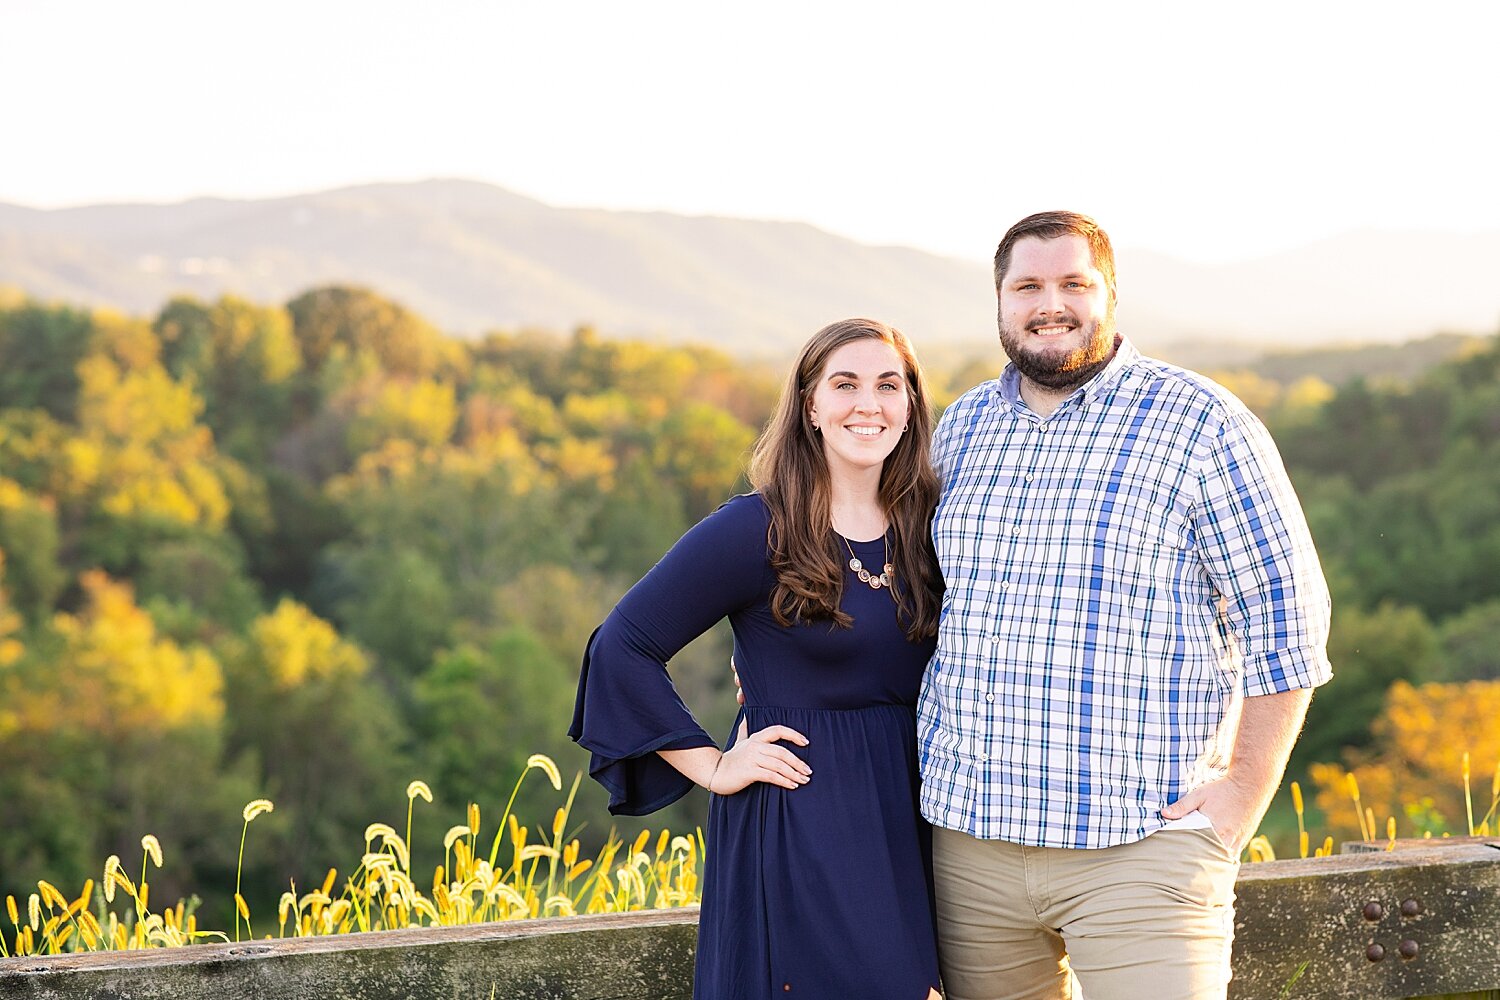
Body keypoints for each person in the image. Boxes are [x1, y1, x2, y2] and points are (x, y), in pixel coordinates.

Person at [921, 211, 1333, 1000]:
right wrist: (780, 651)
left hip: (1141, 847)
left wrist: (1241, 796)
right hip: (967, 849)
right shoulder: (960, 430)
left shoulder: (1201, 421)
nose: (1052, 303)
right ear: (1000, 301)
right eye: (1028, 285)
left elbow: (1288, 615)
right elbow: (906, 595)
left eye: (1074, 283)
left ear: (1109, 294)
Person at [569, 318, 947, 1000]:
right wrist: (712, 764)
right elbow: (621, 647)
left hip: (913, 813)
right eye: (845, 384)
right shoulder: (758, 527)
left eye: (890, 385)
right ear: (809, 405)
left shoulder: (933, 526)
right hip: (803, 815)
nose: (869, 403)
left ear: (911, 405)